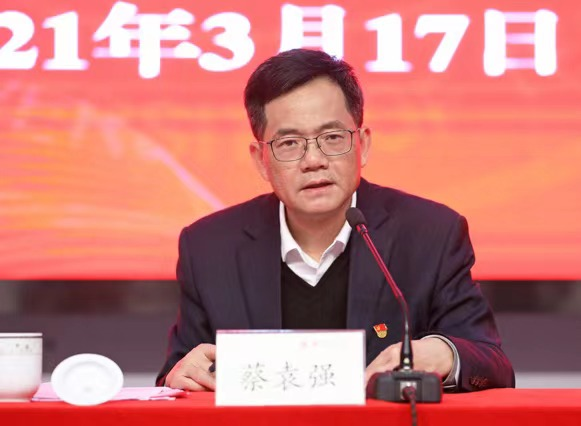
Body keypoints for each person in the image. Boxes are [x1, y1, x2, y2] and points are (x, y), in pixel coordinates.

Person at [157, 48, 515, 392]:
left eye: (332, 138)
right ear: (260, 160)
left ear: (364, 144)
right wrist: (183, 374)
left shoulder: (430, 234)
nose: (313, 160)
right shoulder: (209, 248)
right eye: (289, 143)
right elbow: (176, 378)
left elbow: (492, 365)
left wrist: (444, 354)